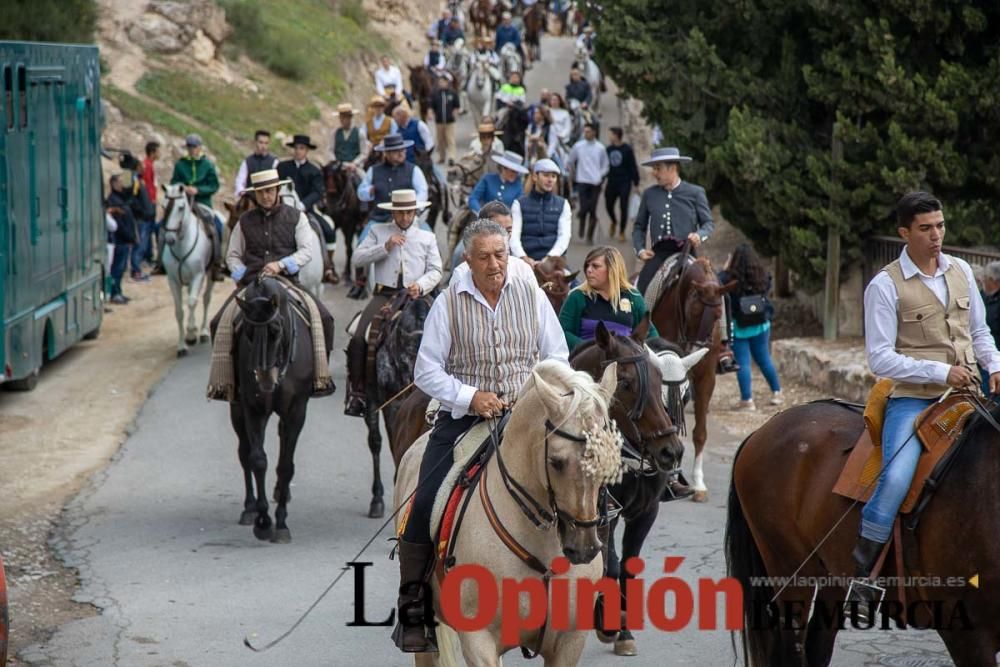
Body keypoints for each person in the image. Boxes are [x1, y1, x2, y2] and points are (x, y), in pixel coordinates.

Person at [394, 218, 568, 653]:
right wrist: (471, 397)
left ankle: (595, 578)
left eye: (500, 255)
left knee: (580, 475)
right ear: (467, 260)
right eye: (485, 256)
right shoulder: (449, 302)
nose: (495, 265)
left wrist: (536, 394)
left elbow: (557, 354)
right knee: (426, 496)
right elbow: (426, 370)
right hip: (466, 418)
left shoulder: (530, 293)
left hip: (528, 412)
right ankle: (414, 602)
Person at [850, 191, 1000, 620]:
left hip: (971, 393)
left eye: (940, 226)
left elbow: (980, 331)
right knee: (896, 476)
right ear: (904, 233)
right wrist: (940, 373)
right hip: (914, 400)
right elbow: (879, 358)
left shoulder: (962, 270)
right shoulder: (884, 285)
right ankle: (865, 570)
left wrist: (995, 364)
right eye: (925, 228)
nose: (937, 236)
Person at [208, 169, 336, 401]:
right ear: (254, 195)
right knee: (217, 322)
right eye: (260, 192)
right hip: (252, 283)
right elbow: (233, 255)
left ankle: (318, 376)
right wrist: (240, 273)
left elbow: (307, 250)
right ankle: (226, 382)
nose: (266, 196)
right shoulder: (244, 222)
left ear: (277, 190)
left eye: (269, 190)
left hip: (287, 281)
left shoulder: (297, 217)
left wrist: (282, 264)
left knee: (325, 318)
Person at [632, 147, 736, 373]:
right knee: (641, 290)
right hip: (659, 255)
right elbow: (639, 226)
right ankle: (637, 339)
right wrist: (640, 249)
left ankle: (725, 346)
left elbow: (708, 223)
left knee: (717, 291)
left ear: (673, 168)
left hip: (688, 253)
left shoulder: (695, 192)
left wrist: (700, 235)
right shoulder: (650, 194)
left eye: (658, 168)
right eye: (655, 169)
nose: (655, 173)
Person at [344, 189, 443, 417]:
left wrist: (421, 284)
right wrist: (385, 247)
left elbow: (436, 269)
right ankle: (358, 392)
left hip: (417, 295)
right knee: (359, 336)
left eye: (409, 213)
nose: (405, 218)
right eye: (401, 213)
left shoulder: (427, 237)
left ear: (415, 212)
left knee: (446, 332)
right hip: (385, 295)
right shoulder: (378, 232)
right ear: (394, 213)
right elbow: (357, 258)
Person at [718, 244, 782, 411]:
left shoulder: (728, 278)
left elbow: (718, 286)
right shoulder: (762, 276)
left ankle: (747, 400)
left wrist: (725, 269)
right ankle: (777, 392)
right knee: (764, 359)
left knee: (743, 363)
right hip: (761, 324)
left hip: (739, 327)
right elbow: (767, 288)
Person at [559, 245, 658, 350]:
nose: (588, 270)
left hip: (626, 362)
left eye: (595, 266)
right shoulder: (577, 296)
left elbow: (651, 333)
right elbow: (562, 332)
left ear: (612, 269)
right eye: (587, 266)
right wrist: (591, 349)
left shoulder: (633, 297)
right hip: (586, 362)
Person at [277, 134, 336, 282]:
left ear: (307, 151)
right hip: (282, 210)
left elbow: (318, 191)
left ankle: (327, 266)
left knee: (327, 230)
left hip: (306, 210)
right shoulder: (282, 168)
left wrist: (303, 204)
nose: (298, 151)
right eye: (296, 148)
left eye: (301, 148)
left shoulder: (314, 170)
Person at [170, 134, 223, 276]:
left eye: (194, 146)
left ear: (200, 147)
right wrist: (183, 187)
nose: (192, 149)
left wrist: (198, 190)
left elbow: (214, 185)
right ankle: (160, 262)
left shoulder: (207, 165)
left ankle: (217, 263)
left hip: (202, 203)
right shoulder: (180, 164)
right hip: (183, 203)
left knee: (217, 226)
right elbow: (173, 182)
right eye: (189, 147)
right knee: (166, 225)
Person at [449, 201, 534, 282]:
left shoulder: (522, 269)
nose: (504, 238)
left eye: (508, 231)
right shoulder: (461, 265)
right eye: (498, 231)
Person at [510, 158, 572, 264]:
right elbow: (514, 235)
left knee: (573, 280)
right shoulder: (518, 204)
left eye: (553, 176)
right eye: (546, 175)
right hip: (524, 260)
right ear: (535, 177)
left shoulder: (563, 204)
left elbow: (564, 236)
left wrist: (550, 257)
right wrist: (523, 257)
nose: (550, 180)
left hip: (553, 260)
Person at [358, 134, 429, 223]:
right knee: (364, 237)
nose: (401, 153)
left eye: (403, 150)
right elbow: (361, 192)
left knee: (429, 235)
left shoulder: (414, 170)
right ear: (386, 153)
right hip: (379, 219)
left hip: (408, 219)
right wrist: (369, 191)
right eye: (396, 151)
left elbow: (423, 192)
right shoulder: (373, 170)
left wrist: (412, 208)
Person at [566, 122, 608, 243]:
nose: (586, 133)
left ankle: (589, 235)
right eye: (585, 131)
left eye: (588, 131)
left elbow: (605, 165)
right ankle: (582, 221)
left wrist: (600, 175)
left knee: (593, 209)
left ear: (594, 132)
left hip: (595, 182)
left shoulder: (600, 148)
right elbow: (570, 160)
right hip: (582, 180)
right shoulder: (578, 146)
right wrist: (572, 172)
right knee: (584, 207)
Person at [119, 153, 156, 282]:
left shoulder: (135, 177)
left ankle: (136, 269)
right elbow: (129, 199)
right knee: (139, 245)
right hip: (139, 218)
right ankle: (136, 271)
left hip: (143, 217)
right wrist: (140, 212)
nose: (143, 168)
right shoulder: (128, 177)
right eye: (141, 165)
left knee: (141, 244)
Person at [105, 174, 138, 304]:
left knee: (121, 267)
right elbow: (118, 225)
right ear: (113, 184)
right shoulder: (113, 200)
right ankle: (114, 293)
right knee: (117, 268)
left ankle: (118, 291)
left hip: (124, 240)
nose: (122, 185)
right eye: (119, 182)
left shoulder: (121, 199)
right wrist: (129, 236)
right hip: (119, 241)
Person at [605, 127, 640, 242]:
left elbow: (633, 165)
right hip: (612, 181)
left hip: (624, 181)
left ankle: (621, 231)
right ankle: (614, 221)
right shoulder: (608, 149)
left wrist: (636, 183)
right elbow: (604, 166)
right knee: (608, 205)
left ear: (616, 135)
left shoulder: (627, 149)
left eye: (611, 134)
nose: (609, 137)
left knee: (623, 206)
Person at [233, 130, 279, 200]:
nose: (263, 146)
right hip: (250, 199)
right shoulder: (247, 162)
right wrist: (242, 193)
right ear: (255, 142)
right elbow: (240, 181)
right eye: (261, 142)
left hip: (268, 199)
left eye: (266, 143)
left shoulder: (274, 162)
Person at [430, 74, 461, 164]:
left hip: (449, 121)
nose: (441, 84)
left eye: (443, 82)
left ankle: (452, 157)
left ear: (447, 82)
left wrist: (455, 114)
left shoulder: (452, 93)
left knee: (450, 139)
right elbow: (432, 106)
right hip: (439, 121)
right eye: (440, 82)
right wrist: (431, 113)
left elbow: (456, 105)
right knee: (440, 140)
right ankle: (442, 156)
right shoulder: (435, 94)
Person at [331, 103, 368, 175]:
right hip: (338, 165)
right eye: (341, 117)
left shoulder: (360, 133)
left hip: (354, 167)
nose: (342, 120)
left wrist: (355, 163)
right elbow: (330, 150)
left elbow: (364, 153)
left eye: (345, 117)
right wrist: (335, 161)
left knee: (364, 180)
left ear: (350, 117)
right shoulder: (335, 133)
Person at [981, 261, 1000, 393]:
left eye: (986, 279)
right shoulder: (983, 295)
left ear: (994, 281)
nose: (983, 282)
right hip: (983, 353)